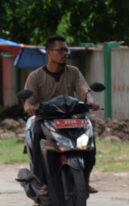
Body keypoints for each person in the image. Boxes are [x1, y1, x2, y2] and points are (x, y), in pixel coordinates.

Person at [23, 35, 100, 195]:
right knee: (37, 135)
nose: (65, 53)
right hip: (45, 120)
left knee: (90, 143)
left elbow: (84, 92)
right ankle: (41, 181)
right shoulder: (35, 76)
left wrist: (90, 101)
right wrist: (29, 106)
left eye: (66, 49)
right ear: (48, 52)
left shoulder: (73, 72)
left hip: (70, 120)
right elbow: (28, 101)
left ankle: (84, 180)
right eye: (60, 50)